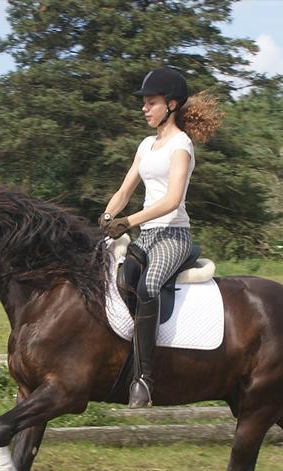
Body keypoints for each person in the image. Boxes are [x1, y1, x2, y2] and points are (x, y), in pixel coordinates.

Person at [99, 66, 221, 408]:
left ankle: (144, 378)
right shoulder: (146, 145)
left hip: (174, 235)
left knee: (150, 286)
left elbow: (172, 201)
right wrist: (108, 218)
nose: (144, 108)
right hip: (147, 234)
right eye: (144, 103)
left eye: (150, 102)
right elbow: (125, 191)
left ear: (170, 105)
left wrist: (129, 221)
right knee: (123, 279)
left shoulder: (181, 145)